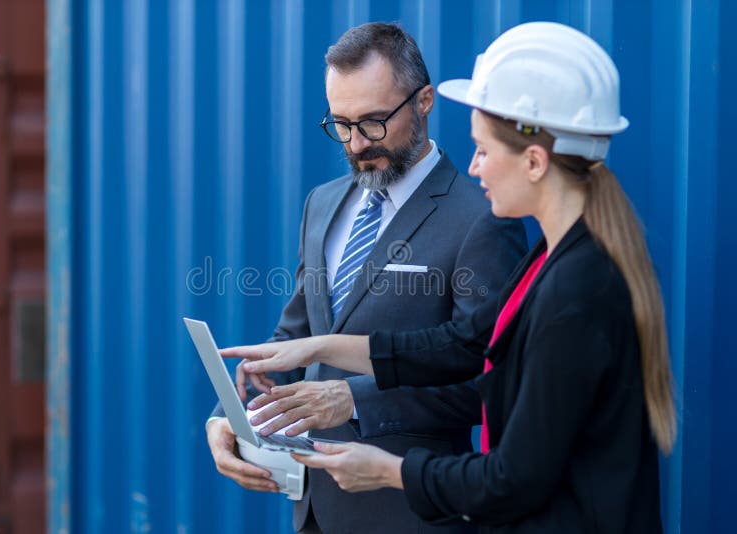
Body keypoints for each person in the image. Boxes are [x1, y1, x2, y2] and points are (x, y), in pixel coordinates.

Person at [226, 22, 677, 533]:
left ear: (533, 160)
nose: (476, 167)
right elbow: (465, 348)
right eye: (341, 124)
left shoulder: (571, 284)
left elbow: (510, 465)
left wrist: (392, 469)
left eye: (483, 150)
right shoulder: (551, 264)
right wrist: (305, 361)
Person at [206, 22, 527, 534]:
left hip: (412, 513)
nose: (356, 144)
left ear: (424, 101)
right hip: (313, 511)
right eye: (341, 124)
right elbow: (295, 341)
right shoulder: (323, 203)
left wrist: (355, 398)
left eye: (375, 122)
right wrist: (229, 419)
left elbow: (490, 381)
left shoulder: (482, 218)